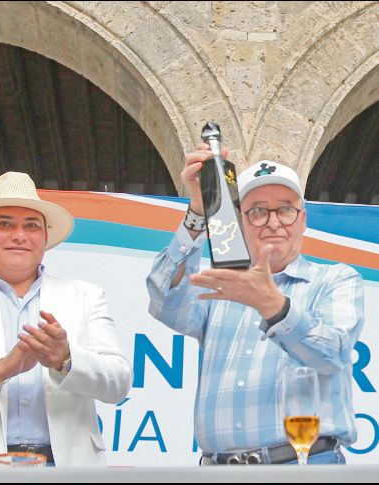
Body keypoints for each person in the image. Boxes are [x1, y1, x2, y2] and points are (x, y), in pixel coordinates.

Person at [146, 146, 364, 465]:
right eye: (258, 211)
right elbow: (164, 301)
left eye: (285, 210)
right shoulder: (224, 285)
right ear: (240, 222)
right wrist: (197, 211)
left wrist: (272, 305)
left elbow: (332, 355)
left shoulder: (335, 279)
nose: (273, 222)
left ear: (302, 219)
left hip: (305, 465)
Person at [0, 171, 132, 467]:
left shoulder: (85, 295)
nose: (19, 235)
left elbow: (118, 382)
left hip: (64, 466)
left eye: (31, 225)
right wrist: (0, 370)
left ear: (45, 237)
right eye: (4, 224)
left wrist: (66, 359)